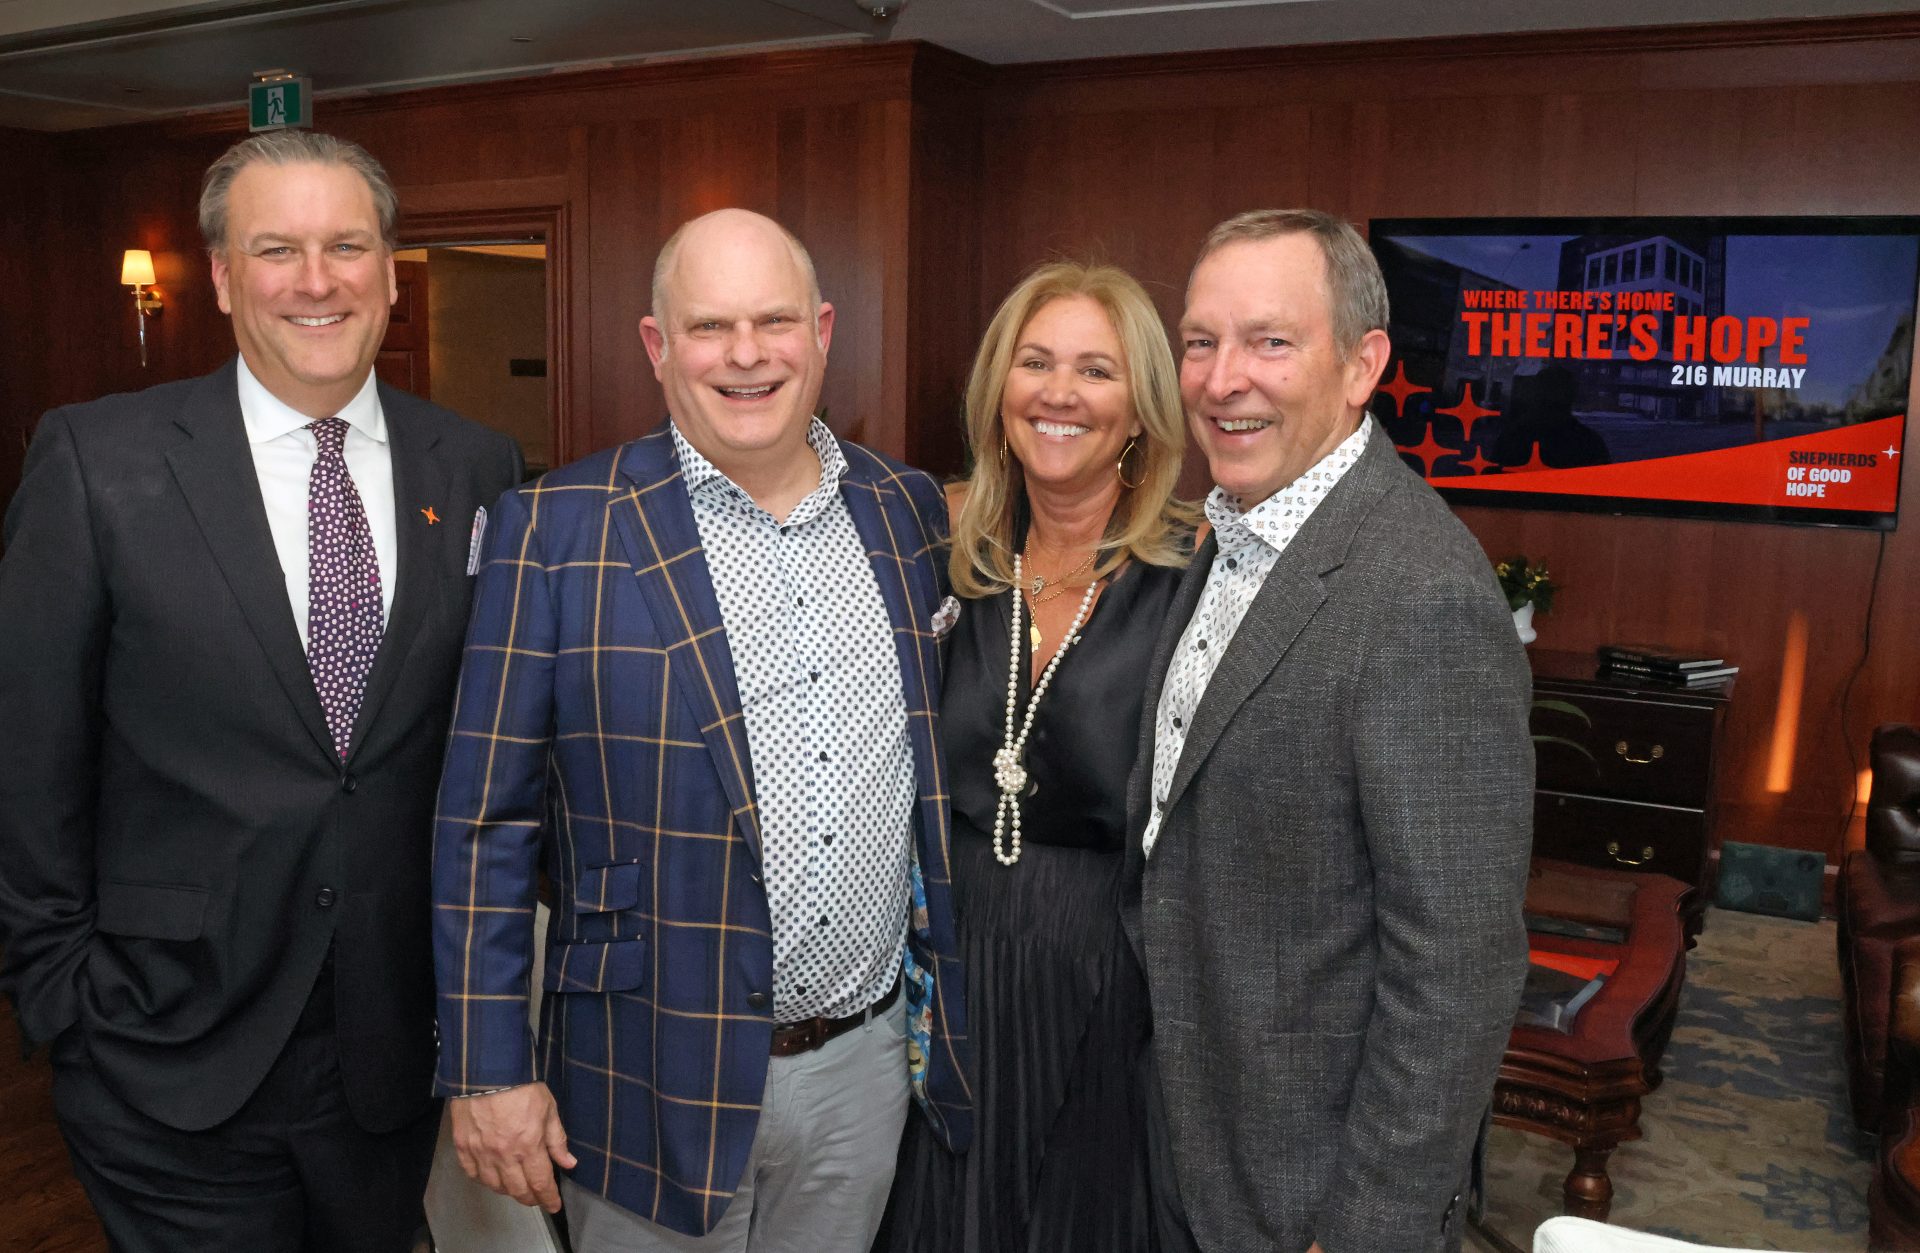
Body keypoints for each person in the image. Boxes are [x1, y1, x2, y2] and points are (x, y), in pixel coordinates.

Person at [0, 131, 524, 1251]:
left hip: (388, 1053)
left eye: (346, 246)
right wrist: (61, 996)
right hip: (162, 1048)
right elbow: (27, 754)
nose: (317, 278)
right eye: (277, 249)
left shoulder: (475, 463)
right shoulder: (100, 462)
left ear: (391, 271)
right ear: (227, 279)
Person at [431, 207, 972, 1253]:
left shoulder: (907, 513)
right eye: (711, 325)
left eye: (773, 321)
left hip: (863, 1069)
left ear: (821, 332)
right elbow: (483, 823)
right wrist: (488, 1065)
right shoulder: (555, 527)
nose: (746, 354)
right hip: (643, 1068)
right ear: (657, 345)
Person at [1126, 209, 1534, 1253]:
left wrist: (1368, 1228)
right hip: (1189, 1143)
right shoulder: (1227, 531)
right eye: (1201, 341)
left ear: (1363, 366)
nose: (1223, 379)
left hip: (1311, 1192)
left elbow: (1456, 966)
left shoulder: (1420, 593)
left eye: (1270, 341)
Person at [882, 262, 1199, 1253]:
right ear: (1000, 390)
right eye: (1037, 362)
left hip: (1116, 971)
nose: (1060, 392)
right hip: (951, 955)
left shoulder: (1199, 573)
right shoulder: (938, 551)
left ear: (1142, 407)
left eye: (1096, 369)